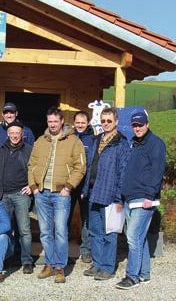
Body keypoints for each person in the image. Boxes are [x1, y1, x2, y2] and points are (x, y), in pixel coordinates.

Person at [28, 107, 86, 283]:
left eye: (55, 121)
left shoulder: (73, 141)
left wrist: (68, 187)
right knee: (45, 232)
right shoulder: (40, 141)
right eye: (49, 121)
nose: (52, 124)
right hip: (42, 193)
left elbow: (80, 166)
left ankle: (60, 266)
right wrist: (34, 187)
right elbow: (31, 165)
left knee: (60, 231)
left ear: (62, 121)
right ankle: (49, 264)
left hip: (61, 193)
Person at [116, 111, 166, 290]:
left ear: (147, 124)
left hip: (144, 199)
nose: (137, 128)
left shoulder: (156, 144)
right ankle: (144, 274)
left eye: (140, 124)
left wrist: (150, 196)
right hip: (130, 197)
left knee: (133, 237)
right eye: (134, 125)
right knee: (139, 238)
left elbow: (157, 171)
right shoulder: (134, 144)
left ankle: (132, 277)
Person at [81, 107, 129, 281]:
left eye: (109, 121)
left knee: (110, 232)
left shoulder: (121, 144)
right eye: (103, 121)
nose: (106, 124)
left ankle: (107, 268)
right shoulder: (96, 140)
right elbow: (89, 167)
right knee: (94, 231)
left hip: (110, 193)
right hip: (93, 192)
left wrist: (118, 197)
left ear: (116, 122)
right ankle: (97, 264)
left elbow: (123, 173)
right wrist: (85, 189)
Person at [0, 121, 34, 274]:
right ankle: (5, 258)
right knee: (4, 229)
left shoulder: (29, 150)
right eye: (12, 133)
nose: (14, 136)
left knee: (24, 229)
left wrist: (32, 185)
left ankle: (26, 260)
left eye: (17, 133)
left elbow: (36, 170)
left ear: (22, 134)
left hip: (21, 194)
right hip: (3, 195)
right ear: (8, 134)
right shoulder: (1, 150)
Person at [69, 111, 96, 263]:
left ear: (88, 123)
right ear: (74, 123)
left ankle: (86, 250)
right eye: (77, 122)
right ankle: (63, 248)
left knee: (87, 218)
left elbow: (91, 164)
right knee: (65, 217)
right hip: (69, 185)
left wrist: (88, 185)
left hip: (85, 185)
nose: (80, 125)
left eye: (83, 122)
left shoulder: (93, 140)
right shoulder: (69, 138)